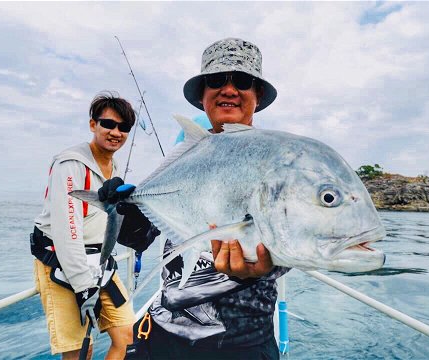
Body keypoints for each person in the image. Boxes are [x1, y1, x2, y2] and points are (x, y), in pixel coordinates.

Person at [111, 37, 287, 359]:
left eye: (243, 81)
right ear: (203, 97)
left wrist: (264, 266)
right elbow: (139, 238)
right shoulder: (182, 161)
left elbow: (290, 241)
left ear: (257, 96)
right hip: (160, 337)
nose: (230, 90)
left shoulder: (272, 162)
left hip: (241, 346)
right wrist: (124, 210)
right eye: (217, 81)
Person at [31, 92, 146, 359]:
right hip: (61, 264)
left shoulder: (113, 166)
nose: (116, 132)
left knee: (127, 336)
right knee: (80, 352)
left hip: (101, 263)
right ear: (93, 124)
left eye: (124, 127)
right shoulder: (70, 165)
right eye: (108, 124)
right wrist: (84, 289)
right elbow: (66, 231)